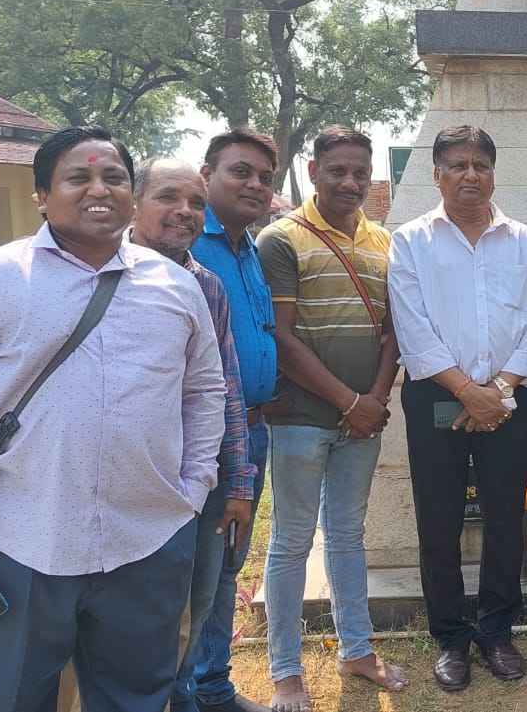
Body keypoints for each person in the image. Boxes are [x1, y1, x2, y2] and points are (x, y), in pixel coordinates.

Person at [0, 126, 227, 712]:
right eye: (79, 177)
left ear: (131, 194)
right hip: (21, 539)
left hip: (149, 537)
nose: (99, 189)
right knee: (11, 698)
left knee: (135, 697)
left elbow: (203, 392)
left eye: (114, 177)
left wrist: (193, 488)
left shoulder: (177, 286)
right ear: (41, 196)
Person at [388, 125, 527, 692]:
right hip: (438, 398)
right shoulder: (411, 241)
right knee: (440, 520)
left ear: (493, 174)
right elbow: (413, 328)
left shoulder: (523, 241)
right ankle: (451, 638)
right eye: (457, 165)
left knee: (506, 516)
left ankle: (497, 630)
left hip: (509, 398)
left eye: (480, 165)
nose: (470, 175)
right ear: (436, 174)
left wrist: (498, 391)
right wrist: (468, 392)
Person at [257, 126, 404, 711]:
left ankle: (357, 651)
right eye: (338, 171)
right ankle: (286, 671)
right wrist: (350, 402)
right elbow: (282, 339)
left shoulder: (383, 241)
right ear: (313, 172)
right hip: (300, 417)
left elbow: (393, 332)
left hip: (363, 421)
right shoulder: (281, 239)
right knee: (291, 542)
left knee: (347, 535)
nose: (350, 182)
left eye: (359, 173)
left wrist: (375, 399)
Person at [126, 159, 262, 712]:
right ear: (134, 203)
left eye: (195, 203)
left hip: (200, 479)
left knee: (197, 602)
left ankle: (187, 697)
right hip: (129, 480)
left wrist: (238, 484)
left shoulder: (206, 285)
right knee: (132, 617)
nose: (184, 211)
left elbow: (225, 389)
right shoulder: (97, 274)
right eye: (167, 197)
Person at [186, 128, 280, 712]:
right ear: (207, 176)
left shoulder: (250, 248)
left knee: (225, 564)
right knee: (194, 568)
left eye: (265, 178)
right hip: (202, 436)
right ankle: (186, 690)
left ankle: (212, 686)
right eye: (240, 172)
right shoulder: (187, 243)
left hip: (251, 431)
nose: (255, 186)